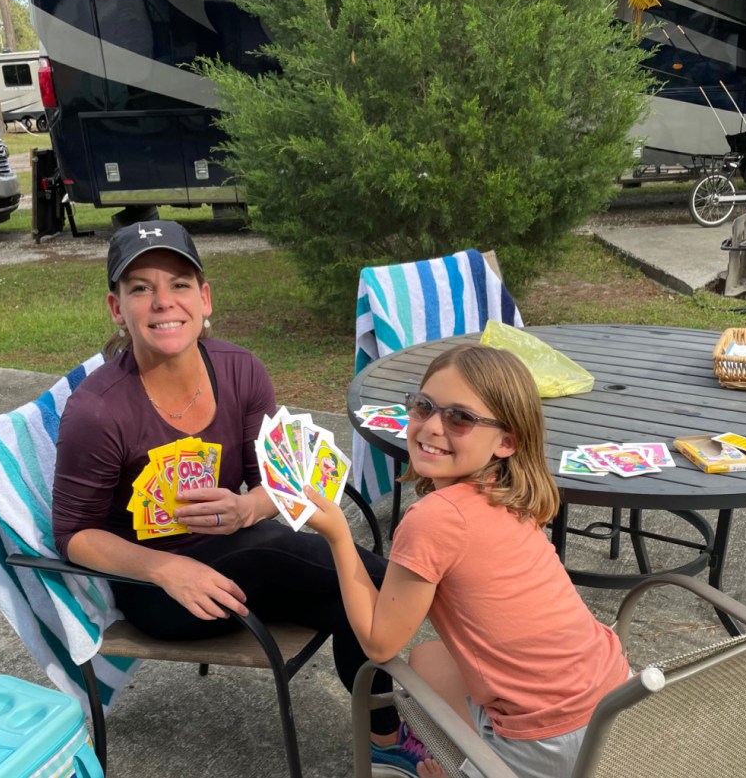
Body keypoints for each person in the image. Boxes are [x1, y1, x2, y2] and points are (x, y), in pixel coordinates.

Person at [50, 220, 400, 752]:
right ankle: (428, 594)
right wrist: (165, 568)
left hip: (247, 558)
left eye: (180, 284)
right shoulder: (98, 411)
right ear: (117, 309)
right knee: (360, 573)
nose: (163, 302)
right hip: (164, 594)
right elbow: (73, 533)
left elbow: (273, 484)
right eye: (141, 288)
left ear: (205, 297)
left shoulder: (240, 370)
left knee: (352, 604)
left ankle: (385, 740)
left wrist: (245, 508)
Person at [306, 343, 631, 778]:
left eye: (460, 418)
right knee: (426, 659)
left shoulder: (434, 519)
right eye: (424, 407)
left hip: (543, 741)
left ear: (506, 441)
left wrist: (338, 536)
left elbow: (380, 643)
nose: (432, 427)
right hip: (616, 701)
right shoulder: (508, 494)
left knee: (411, 663)